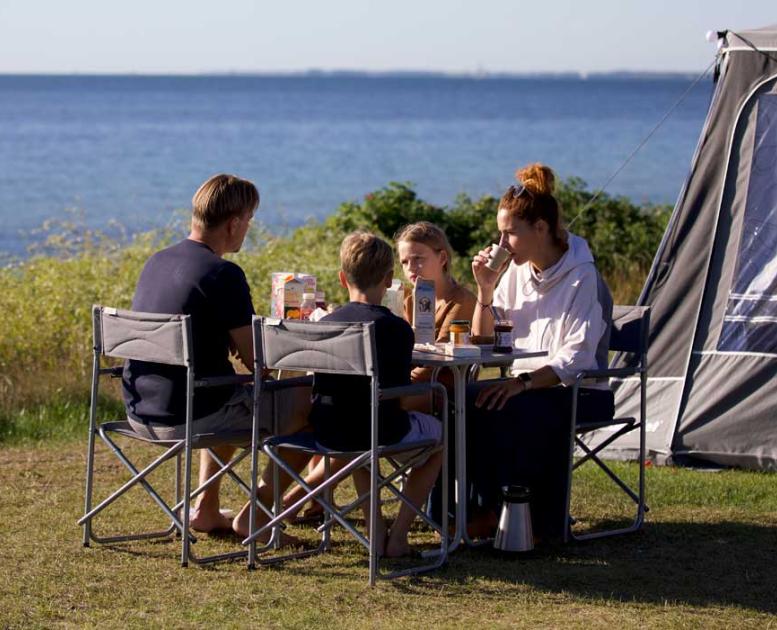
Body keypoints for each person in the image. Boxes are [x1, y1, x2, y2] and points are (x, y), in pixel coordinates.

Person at [122, 173, 309, 537]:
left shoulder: (156, 261)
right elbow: (258, 363)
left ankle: (206, 509)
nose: (248, 229)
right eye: (249, 221)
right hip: (193, 414)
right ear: (234, 223)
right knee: (310, 406)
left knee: (226, 390)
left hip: (141, 410)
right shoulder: (223, 273)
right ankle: (256, 512)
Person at [235, 232, 443, 557]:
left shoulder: (324, 325)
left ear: (342, 278)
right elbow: (399, 394)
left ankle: (375, 533)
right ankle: (398, 535)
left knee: (356, 440)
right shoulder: (398, 330)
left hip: (330, 432)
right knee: (438, 442)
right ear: (389, 280)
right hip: (382, 430)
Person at [467, 163, 613, 543]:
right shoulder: (516, 272)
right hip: (526, 384)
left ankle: (523, 518)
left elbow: (578, 358)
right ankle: (469, 511)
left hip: (579, 391)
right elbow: (484, 342)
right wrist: (485, 290)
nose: (501, 244)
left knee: (508, 406)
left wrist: (523, 384)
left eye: (510, 234)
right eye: (500, 234)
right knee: (459, 400)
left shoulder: (583, 277)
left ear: (541, 229)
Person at [396, 221, 476, 384]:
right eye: (404, 262)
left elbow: (441, 359)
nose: (410, 267)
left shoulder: (461, 300)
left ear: (442, 258)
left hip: (443, 391)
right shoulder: (408, 300)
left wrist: (398, 385)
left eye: (418, 258)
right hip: (410, 385)